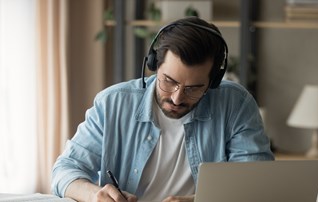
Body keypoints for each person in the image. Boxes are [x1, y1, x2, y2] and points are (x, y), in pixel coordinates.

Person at [51, 16, 274, 202]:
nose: (177, 98)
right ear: (154, 65)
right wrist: (95, 195)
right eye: (168, 81)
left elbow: (255, 186)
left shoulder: (236, 105)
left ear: (213, 82)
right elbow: (65, 170)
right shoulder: (113, 104)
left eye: (194, 88)